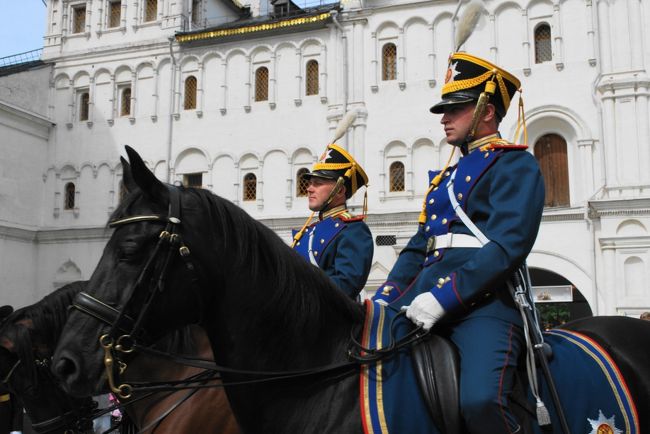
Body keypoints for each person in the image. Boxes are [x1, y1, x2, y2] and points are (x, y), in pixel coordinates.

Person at [373, 52, 545, 434]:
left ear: (486, 110)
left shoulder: (514, 164)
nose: (444, 118)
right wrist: (385, 298)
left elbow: (507, 246)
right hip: (417, 299)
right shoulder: (445, 179)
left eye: (455, 108)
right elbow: (420, 247)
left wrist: (444, 297)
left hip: (481, 304)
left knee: (481, 400)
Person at [292, 144, 374, 299]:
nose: (309, 188)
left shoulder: (352, 230)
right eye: (310, 183)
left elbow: (345, 286)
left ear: (340, 190)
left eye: (318, 183)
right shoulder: (308, 232)